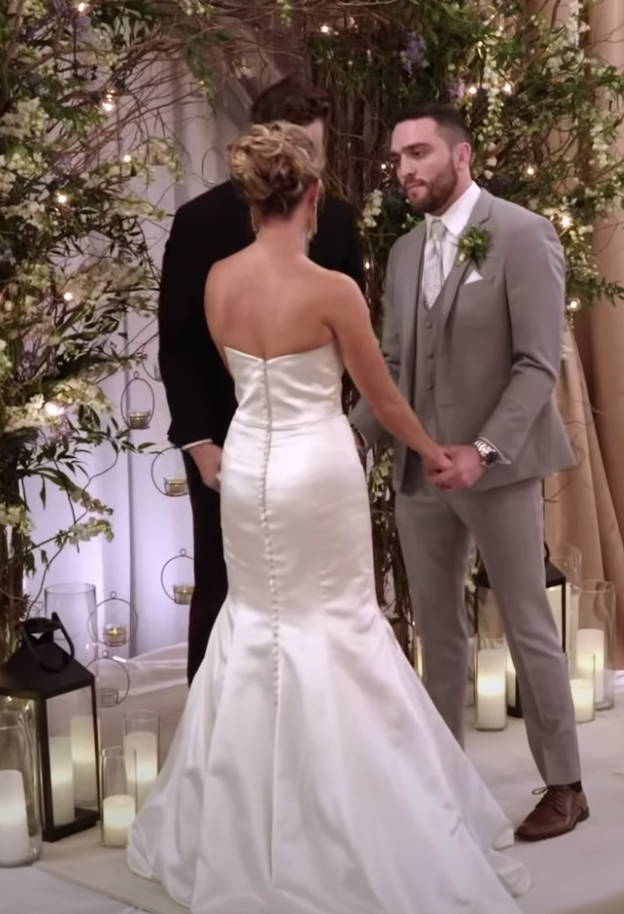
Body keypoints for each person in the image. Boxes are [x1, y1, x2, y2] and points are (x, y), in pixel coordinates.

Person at [126, 122, 531, 914]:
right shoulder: (332, 291)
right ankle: (355, 822)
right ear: (310, 197)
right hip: (315, 466)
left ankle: (242, 826)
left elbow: (233, 375)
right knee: (337, 623)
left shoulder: (217, 283)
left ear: (252, 201)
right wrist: (437, 451)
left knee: (257, 623)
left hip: (247, 466)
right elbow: (380, 399)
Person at [348, 104, 587, 842]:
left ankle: (566, 785)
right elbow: (389, 366)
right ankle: (441, 777)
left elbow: (536, 365)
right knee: (439, 634)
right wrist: (338, 439)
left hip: (498, 472)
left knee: (525, 623)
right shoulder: (401, 254)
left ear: (462, 156)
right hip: (420, 472)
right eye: (397, 160)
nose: (405, 170)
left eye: (418, 153)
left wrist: (481, 452)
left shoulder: (523, 234)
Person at [157, 77, 364, 686]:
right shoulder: (197, 222)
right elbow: (180, 343)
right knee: (224, 589)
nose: (305, 166)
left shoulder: (340, 221)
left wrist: (341, 432)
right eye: (299, 146)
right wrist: (200, 444)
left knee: (324, 598)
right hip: (226, 445)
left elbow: (351, 347)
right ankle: (217, 730)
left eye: (316, 152)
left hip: (315, 456)